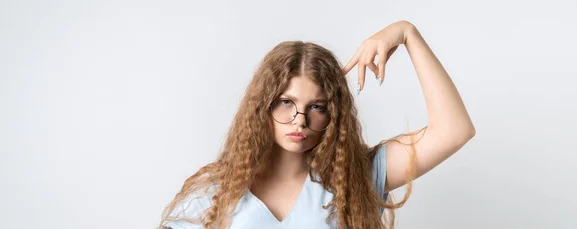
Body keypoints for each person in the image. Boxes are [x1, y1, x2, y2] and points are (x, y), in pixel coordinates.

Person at [158, 20, 475, 229]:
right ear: (263, 105)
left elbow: (454, 130)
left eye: (317, 107)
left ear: (334, 113)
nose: (300, 120)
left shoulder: (358, 176)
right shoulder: (215, 192)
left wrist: (406, 33)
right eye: (286, 103)